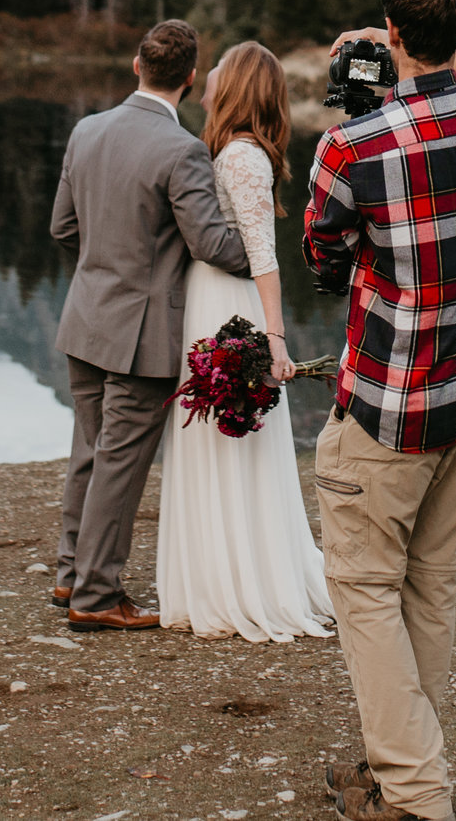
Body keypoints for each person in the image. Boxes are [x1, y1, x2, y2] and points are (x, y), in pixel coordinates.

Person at [302, 0, 456, 821]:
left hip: (388, 405)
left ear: (390, 32)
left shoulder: (350, 146)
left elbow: (324, 265)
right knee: (427, 589)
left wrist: (381, 61)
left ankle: (415, 792)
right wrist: (423, 61)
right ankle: (393, 769)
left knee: (363, 589)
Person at [49, 19, 252, 632]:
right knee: (120, 462)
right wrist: (262, 246)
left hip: (85, 319)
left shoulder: (87, 130)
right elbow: (213, 242)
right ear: (191, 79)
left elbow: (62, 229)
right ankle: (96, 596)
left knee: (91, 449)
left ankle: (69, 575)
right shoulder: (181, 149)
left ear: (137, 66)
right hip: (139, 336)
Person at [154, 40, 336, 642]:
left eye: (218, 78)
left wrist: (276, 341)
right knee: (210, 440)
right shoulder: (229, 151)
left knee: (231, 439)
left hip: (230, 308)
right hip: (208, 300)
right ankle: (211, 576)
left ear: (236, 89)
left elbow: (264, 256)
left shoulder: (240, 157)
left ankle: (242, 583)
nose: (205, 86)